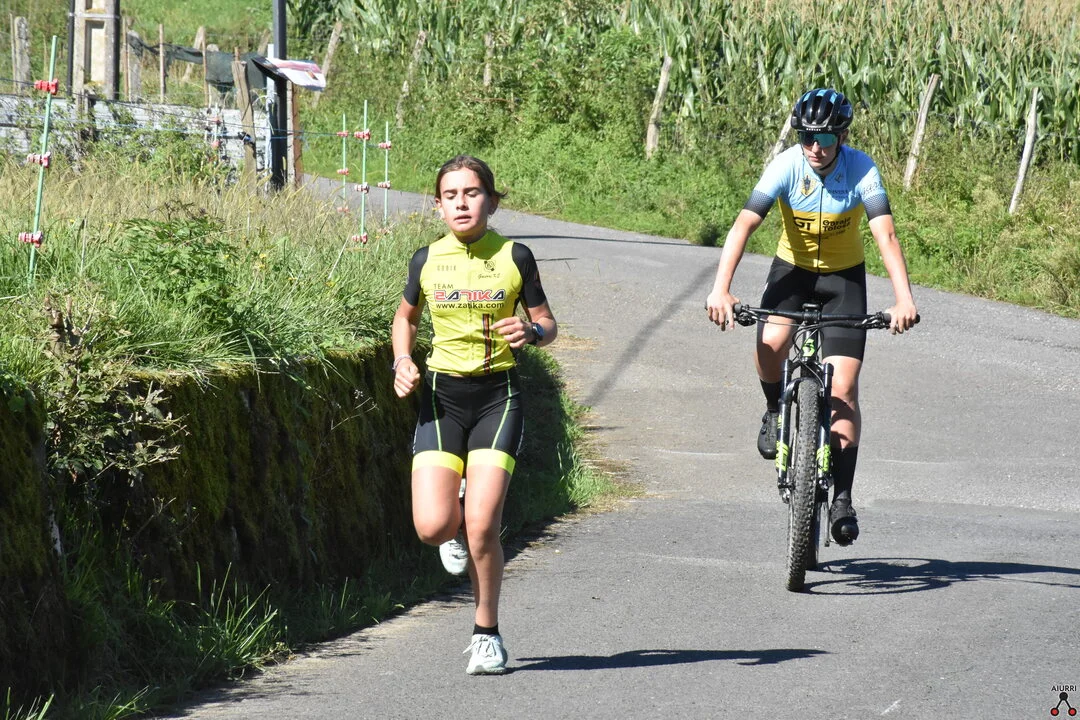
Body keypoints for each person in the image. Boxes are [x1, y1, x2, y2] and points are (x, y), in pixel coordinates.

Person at [705, 88, 918, 546]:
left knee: (843, 389)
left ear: (841, 136)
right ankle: (772, 408)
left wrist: (903, 299)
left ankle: (843, 498)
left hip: (843, 280)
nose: (815, 147)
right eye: (806, 137)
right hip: (793, 271)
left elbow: (885, 235)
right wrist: (720, 288)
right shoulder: (786, 165)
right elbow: (744, 225)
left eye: (824, 138)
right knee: (770, 344)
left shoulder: (861, 169)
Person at [391, 155, 557, 675]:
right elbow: (405, 318)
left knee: (483, 526)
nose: (461, 203)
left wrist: (531, 332)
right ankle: (456, 518)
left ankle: (487, 634)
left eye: (472, 193)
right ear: (438, 206)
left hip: (496, 398)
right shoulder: (426, 258)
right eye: (451, 195)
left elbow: (547, 322)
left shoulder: (515, 256)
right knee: (433, 527)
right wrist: (402, 360)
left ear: (492, 201)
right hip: (442, 398)